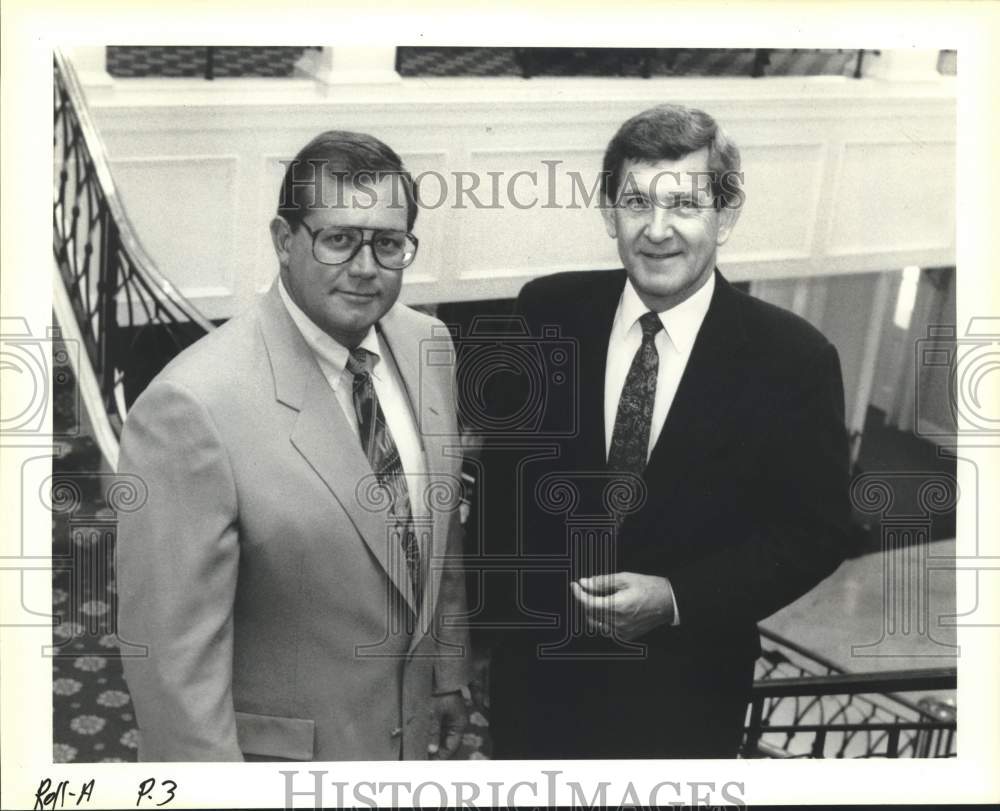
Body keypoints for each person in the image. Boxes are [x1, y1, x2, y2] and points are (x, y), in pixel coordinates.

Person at [482, 104, 851, 758]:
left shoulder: (795, 360)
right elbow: (498, 495)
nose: (656, 231)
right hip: (533, 697)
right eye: (635, 204)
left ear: (726, 214)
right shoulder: (546, 311)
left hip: (680, 708)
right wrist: (481, 644)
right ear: (608, 214)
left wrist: (677, 597)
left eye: (683, 204)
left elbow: (816, 532)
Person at [116, 131, 471, 761]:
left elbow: (437, 539)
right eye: (338, 239)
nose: (365, 268)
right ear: (284, 241)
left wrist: (445, 673)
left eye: (388, 243)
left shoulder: (428, 344)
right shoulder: (192, 407)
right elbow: (172, 670)